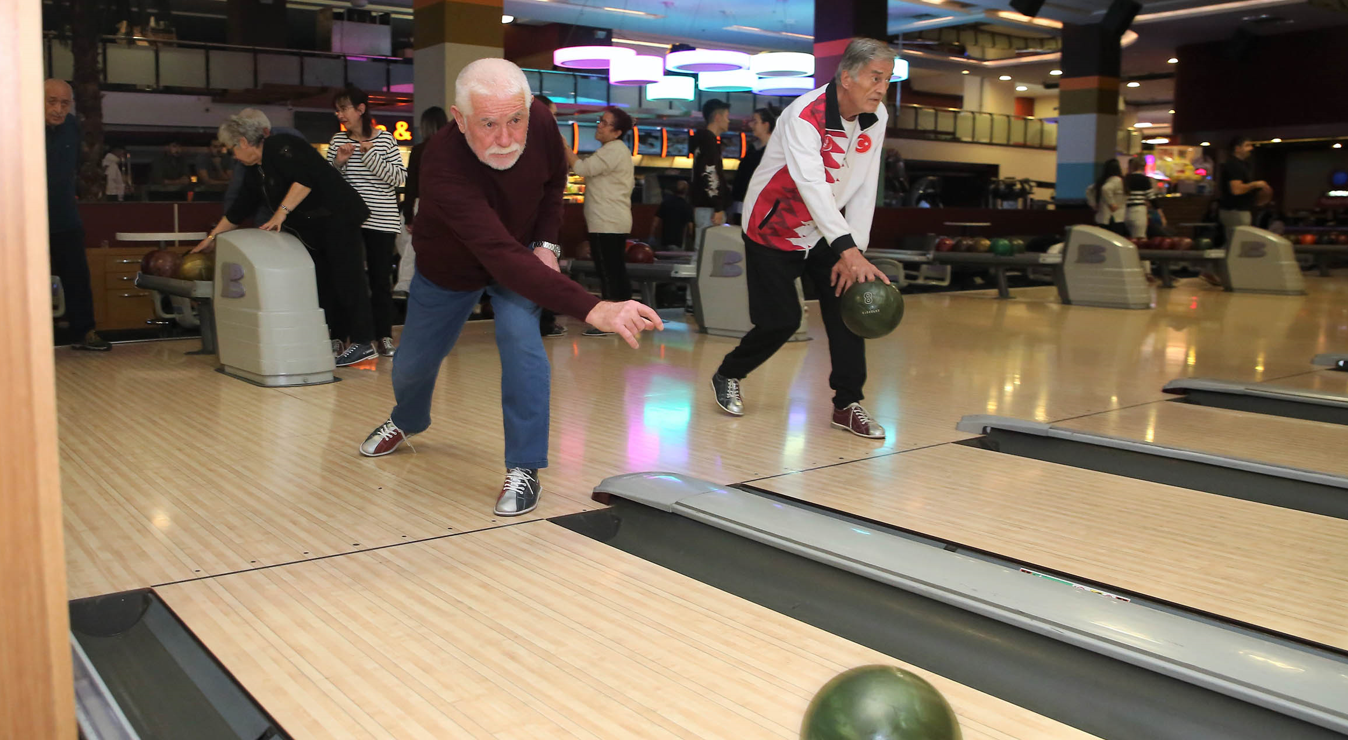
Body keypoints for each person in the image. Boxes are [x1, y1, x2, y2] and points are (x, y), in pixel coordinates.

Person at [357, 58, 663, 517]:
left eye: (514, 120)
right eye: (488, 124)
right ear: (459, 121)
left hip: (519, 257)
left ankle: (524, 466)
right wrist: (593, 308)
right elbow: (496, 251)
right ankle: (408, 418)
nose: (505, 138)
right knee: (412, 366)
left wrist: (545, 242)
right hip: (450, 268)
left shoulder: (538, 121)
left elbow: (554, 181)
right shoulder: (441, 162)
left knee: (523, 347)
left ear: (527, 109)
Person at [711, 38, 893, 439]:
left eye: (888, 79)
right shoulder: (803, 116)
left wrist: (855, 254)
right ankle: (729, 372)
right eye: (875, 77)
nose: (882, 87)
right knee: (781, 321)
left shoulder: (875, 116)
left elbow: (865, 185)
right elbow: (811, 185)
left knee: (848, 306)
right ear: (847, 77)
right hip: (772, 228)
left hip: (827, 231)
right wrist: (847, 249)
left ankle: (847, 403)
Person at [191, 113, 380, 367]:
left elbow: (306, 178)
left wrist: (281, 213)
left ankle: (363, 342)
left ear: (244, 142)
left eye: (232, 147)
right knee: (323, 283)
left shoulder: (282, 146)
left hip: (339, 218)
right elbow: (239, 209)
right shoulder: (254, 170)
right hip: (315, 229)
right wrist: (213, 238)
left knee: (348, 279)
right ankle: (334, 338)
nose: (232, 154)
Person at [329, 85, 407, 357]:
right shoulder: (338, 140)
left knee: (380, 280)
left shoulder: (385, 140)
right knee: (346, 279)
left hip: (382, 220)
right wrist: (338, 163)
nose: (340, 114)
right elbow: (327, 183)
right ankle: (339, 336)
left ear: (361, 109)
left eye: (344, 108)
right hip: (350, 221)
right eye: (337, 109)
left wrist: (369, 155)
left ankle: (383, 335)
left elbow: (400, 178)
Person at [44, 78, 109, 351]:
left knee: (77, 276)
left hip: (64, 215)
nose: (59, 109)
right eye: (52, 102)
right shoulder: (18, 124)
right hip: (26, 218)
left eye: (64, 103)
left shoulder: (72, 126)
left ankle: (85, 332)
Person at [564, 106, 635, 337]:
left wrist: (563, 146)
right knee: (614, 270)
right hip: (610, 221)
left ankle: (615, 321)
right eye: (600, 121)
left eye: (605, 123)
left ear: (617, 132)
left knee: (609, 271)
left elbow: (584, 168)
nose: (599, 126)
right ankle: (624, 320)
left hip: (607, 222)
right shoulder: (614, 149)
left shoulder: (614, 149)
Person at [395, 106, 449, 298]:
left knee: (411, 245)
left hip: (421, 204)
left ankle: (405, 284)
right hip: (446, 206)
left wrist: (409, 215)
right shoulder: (452, 151)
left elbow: (411, 187)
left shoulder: (419, 151)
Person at [222, 108, 305, 226]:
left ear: (265, 132)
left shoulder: (290, 140)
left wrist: (282, 212)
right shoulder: (247, 156)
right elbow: (236, 191)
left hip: (299, 208)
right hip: (270, 209)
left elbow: (304, 180)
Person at [534, 94, 566, 338]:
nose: (553, 120)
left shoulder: (552, 146)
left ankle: (544, 321)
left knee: (543, 271)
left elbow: (554, 193)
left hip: (542, 226)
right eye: (551, 114)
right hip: (529, 227)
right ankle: (542, 321)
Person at [689, 98, 730, 251]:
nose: (728, 120)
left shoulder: (702, 141)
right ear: (717, 118)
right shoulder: (709, 143)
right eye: (727, 116)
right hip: (709, 209)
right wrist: (718, 207)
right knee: (707, 253)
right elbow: (710, 173)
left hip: (703, 206)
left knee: (702, 250)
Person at [1218, 136, 1272, 246]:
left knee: (1238, 243)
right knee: (1238, 243)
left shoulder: (1244, 165)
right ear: (1237, 148)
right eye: (1247, 145)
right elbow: (1236, 190)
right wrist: (1256, 184)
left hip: (1240, 210)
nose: (1251, 148)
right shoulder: (1233, 165)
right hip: (1235, 210)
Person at [730, 106, 777, 224]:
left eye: (755, 122)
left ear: (766, 125)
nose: (751, 125)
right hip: (743, 205)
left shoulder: (776, 151)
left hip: (762, 207)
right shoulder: (752, 149)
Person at [1084, 158, 1126, 235]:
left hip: (1102, 216)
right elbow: (1106, 189)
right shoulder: (1117, 180)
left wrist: (1093, 204)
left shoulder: (1102, 181)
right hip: (1115, 217)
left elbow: (1089, 190)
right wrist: (1112, 204)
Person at [650, 180, 693, 250]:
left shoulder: (666, 203)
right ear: (686, 191)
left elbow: (655, 222)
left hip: (664, 241)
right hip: (678, 242)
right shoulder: (686, 206)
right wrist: (691, 239)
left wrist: (652, 235)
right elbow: (690, 226)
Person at [1123, 157, 1157, 239]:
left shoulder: (1125, 179)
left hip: (1125, 211)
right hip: (1139, 210)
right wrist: (1160, 212)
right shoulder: (1144, 179)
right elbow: (1151, 197)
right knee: (1140, 237)